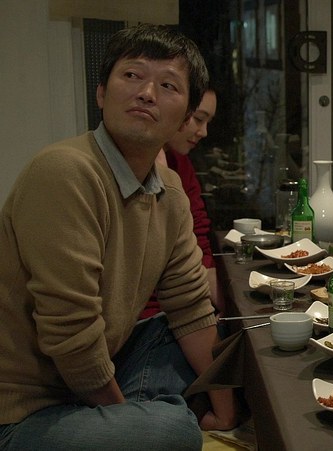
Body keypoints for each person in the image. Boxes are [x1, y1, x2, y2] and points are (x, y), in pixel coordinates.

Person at [0, 24, 236, 450]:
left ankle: (144, 414)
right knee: (175, 431)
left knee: (189, 338)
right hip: (22, 411)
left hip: (92, 377)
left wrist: (227, 415)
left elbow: (190, 308)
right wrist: (126, 420)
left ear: (185, 117)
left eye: (167, 85)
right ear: (101, 94)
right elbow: (72, 337)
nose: (146, 93)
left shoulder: (169, 191)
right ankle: (147, 415)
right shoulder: (66, 171)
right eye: (131, 75)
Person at [143, 88, 224, 318]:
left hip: (183, 299)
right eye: (198, 119)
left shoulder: (180, 162)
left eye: (208, 122)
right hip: (150, 314)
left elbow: (198, 233)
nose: (204, 132)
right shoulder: (138, 164)